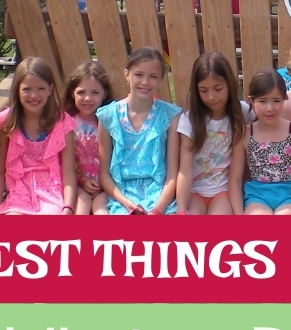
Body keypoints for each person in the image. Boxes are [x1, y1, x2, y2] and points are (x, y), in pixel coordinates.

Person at [97, 47, 181, 215]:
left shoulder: (170, 116)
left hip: (159, 194)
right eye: (139, 75)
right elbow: (104, 174)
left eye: (153, 77)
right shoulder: (108, 116)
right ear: (127, 74)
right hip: (122, 194)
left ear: (161, 80)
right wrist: (126, 204)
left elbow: (172, 174)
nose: (145, 82)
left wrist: (158, 210)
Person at [0, 57, 76, 215]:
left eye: (40, 89)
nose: (34, 95)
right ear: (17, 90)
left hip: (50, 191)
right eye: (27, 89)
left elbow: (69, 172)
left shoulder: (62, 123)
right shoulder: (7, 122)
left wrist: (68, 208)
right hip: (18, 190)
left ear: (50, 90)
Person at [231, 69, 291, 215]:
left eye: (276, 101)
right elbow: (235, 179)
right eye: (262, 101)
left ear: (284, 99)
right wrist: (239, 215)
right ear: (251, 101)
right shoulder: (245, 134)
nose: (270, 108)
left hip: (289, 196)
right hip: (256, 196)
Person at [176, 52, 251, 215]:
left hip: (223, 191)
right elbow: (185, 169)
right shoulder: (190, 120)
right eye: (203, 90)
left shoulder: (243, 112)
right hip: (194, 191)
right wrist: (181, 210)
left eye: (218, 89)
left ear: (230, 84)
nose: (211, 97)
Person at [63, 61, 112, 215]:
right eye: (81, 92)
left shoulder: (110, 122)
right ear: (72, 93)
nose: (87, 98)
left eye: (95, 93)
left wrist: (106, 185)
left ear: (104, 93)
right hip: (78, 186)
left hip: (107, 187)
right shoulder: (67, 123)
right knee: (81, 207)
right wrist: (81, 181)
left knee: (101, 212)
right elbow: (64, 165)